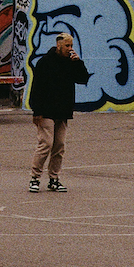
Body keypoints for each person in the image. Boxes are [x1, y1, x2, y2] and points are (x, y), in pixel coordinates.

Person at [27, 31, 90, 192]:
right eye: (67, 46)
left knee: (59, 145)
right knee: (46, 144)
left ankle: (54, 178)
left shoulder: (70, 62)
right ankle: (35, 178)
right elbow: (37, 87)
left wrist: (78, 63)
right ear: (58, 46)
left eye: (71, 46)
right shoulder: (45, 62)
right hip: (46, 110)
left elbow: (83, 78)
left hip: (63, 110)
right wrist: (37, 111)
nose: (70, 49)